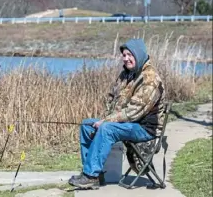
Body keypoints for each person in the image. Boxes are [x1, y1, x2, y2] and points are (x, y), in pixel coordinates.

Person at [68, 38, 166, 190]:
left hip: (145, 129)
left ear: (138, 54)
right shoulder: (127, 74)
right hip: (129, 124)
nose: (125, 58)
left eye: (129, 55)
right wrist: (104, 119)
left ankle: (90, 176)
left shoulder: (150, 79)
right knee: (87, 125)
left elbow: (134, 111)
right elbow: (113, 99)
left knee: (107, 129)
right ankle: (95, 173)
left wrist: (106, 122)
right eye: (124, 55)